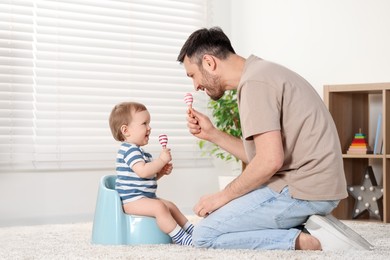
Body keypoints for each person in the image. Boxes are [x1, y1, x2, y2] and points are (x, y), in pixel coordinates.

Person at [177, 27, 372, 251]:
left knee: (204, 234)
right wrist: (212, 134)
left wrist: (222, 197)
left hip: (302, 192)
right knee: (224, 218)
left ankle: (300, 241)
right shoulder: (260, 73)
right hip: (311, 186)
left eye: (193, 75)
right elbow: (262, 157)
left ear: (209, 63)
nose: (196, 86)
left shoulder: (254, 84)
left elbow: (270, 161)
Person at [109, 101, 194, 246]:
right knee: (159, 208)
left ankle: (191, 230)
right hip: (131, 201)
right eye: (144, 124)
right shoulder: (129, 150)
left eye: (149, 123)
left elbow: (147, 177)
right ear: (126, 130)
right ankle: (180, 237)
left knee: (170, 206)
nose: (149, 128)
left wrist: (160, 172)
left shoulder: (142, 152)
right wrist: (161, 160)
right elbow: (142, 172)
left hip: (144, 198)